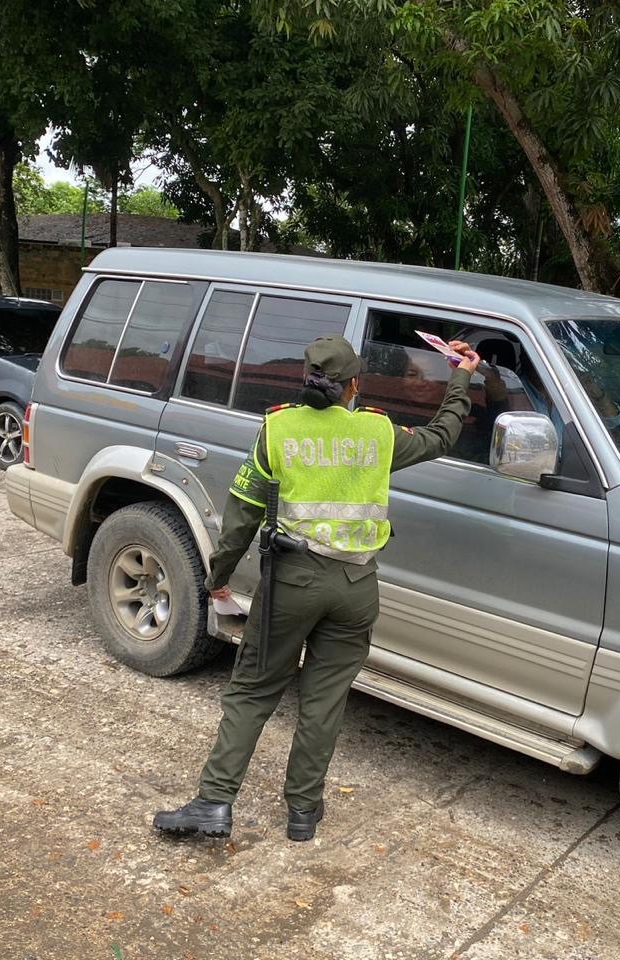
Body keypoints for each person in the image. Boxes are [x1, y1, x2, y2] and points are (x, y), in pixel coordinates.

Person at [153, 334, 481, 842]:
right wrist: (461, 374)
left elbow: (241, 516)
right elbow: (441, 436)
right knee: (324, 701)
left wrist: (216, 579)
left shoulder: (278, 428)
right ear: (354, 385)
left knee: (252, 693)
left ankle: (215, 803)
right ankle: (303, 813)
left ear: (305, 380)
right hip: (356, 585)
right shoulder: (377, 432)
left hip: (292, 581)